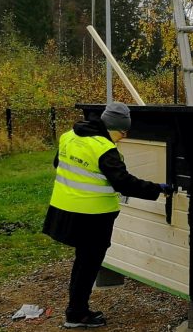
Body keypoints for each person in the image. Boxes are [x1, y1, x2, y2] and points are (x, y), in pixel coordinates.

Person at [42, 102, 173, 328]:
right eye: (123, 132)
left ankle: (76, 310)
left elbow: (59, 164)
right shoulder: (104, 148)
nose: (123, 137)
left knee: (82, 263)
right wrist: (158, 189)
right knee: (87, 265)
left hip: (65, 211)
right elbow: (124, 183)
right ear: (111, 126)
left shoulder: (69, 136)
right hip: (92, 216)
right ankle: (77, 314)